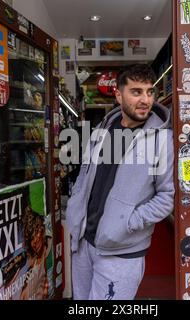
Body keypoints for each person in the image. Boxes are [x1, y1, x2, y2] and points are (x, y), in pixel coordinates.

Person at [66, 64, 174, 300]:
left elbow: (166, 198)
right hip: (84, 243)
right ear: (118, 95)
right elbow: (86, 176)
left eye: (150, 92)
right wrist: (75, 210)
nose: (145, 99)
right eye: (136, 92)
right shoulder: (104, 129)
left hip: (121, 252)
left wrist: (127, 223)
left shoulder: (162, 139)